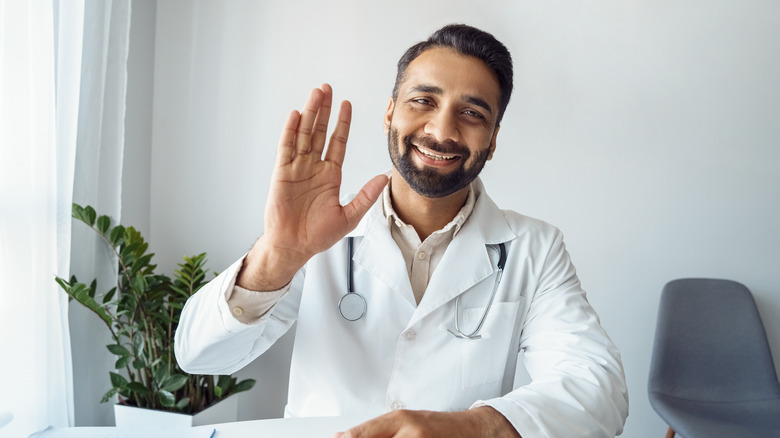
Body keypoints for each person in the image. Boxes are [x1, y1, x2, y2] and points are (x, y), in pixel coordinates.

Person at [175, 24, 628, 437]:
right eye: (423, 101)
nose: (442, 130)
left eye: (472, 113)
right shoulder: (319, 235)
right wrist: (278, 254)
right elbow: (199, 357)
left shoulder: (534, 248)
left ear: (492, 142)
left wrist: (473, 427)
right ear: (390, 112)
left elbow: (599, 389)